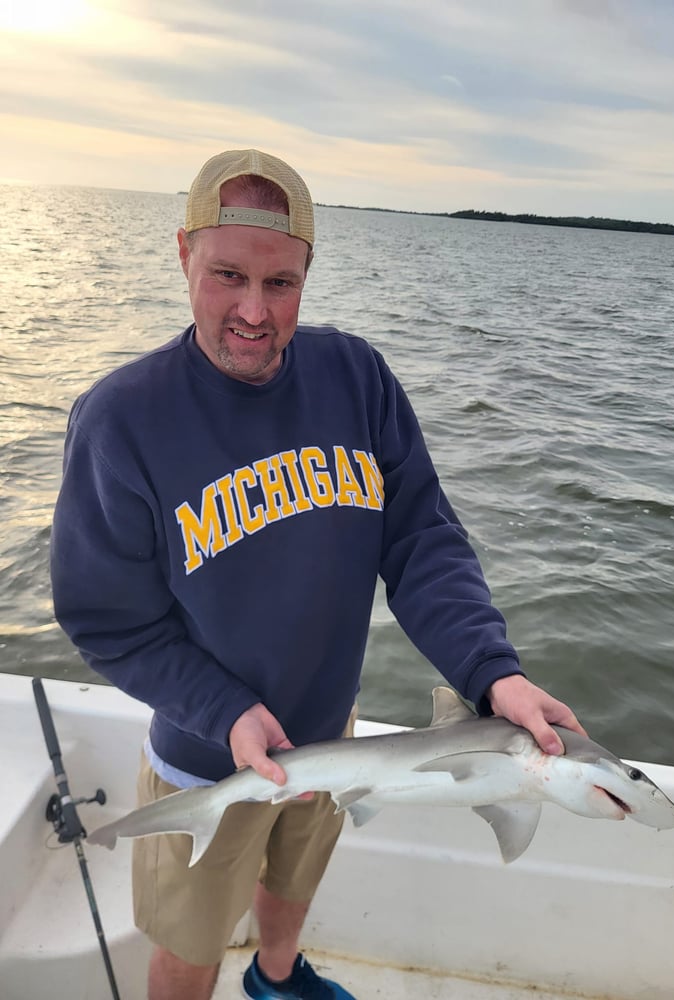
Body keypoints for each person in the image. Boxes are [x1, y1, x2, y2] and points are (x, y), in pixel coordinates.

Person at [50, 148, 585, 1000]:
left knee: (292, 883)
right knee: (186, 944)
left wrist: (493, 672)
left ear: (308, 272)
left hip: (332, 742)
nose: (253, 313)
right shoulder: (122, 419)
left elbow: (420, 541)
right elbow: (107, 617)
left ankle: (276, 976)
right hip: (207, 758)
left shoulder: (358, 377)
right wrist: (225, 712)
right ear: (184, 252)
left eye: (281, 284)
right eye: (227, 275)